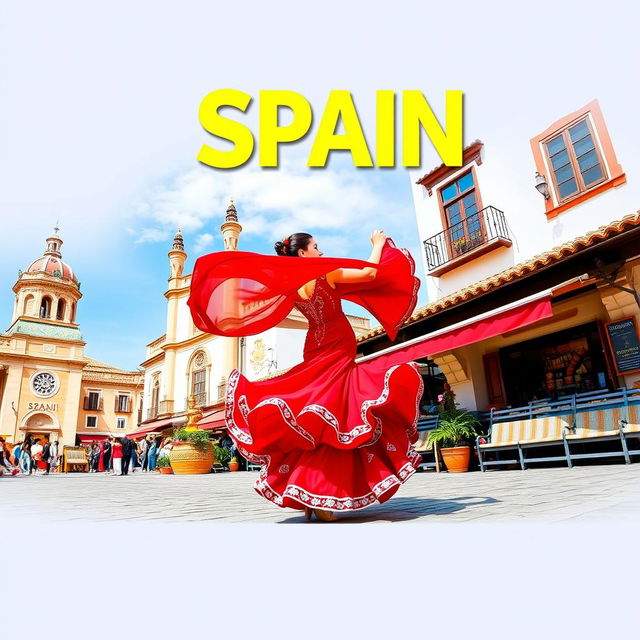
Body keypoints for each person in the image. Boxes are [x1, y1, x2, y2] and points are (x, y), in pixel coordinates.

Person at [188, 230, 423, 521]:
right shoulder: (329, 274)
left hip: (314, 346)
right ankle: (320, 497)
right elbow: (370, 274)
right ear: (302, 253)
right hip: (336, 347)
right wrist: (376, 245)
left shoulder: (292, 284)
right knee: (336, 415)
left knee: (319, 420)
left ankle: (311, 495)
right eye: (316, 247)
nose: (321, 253)